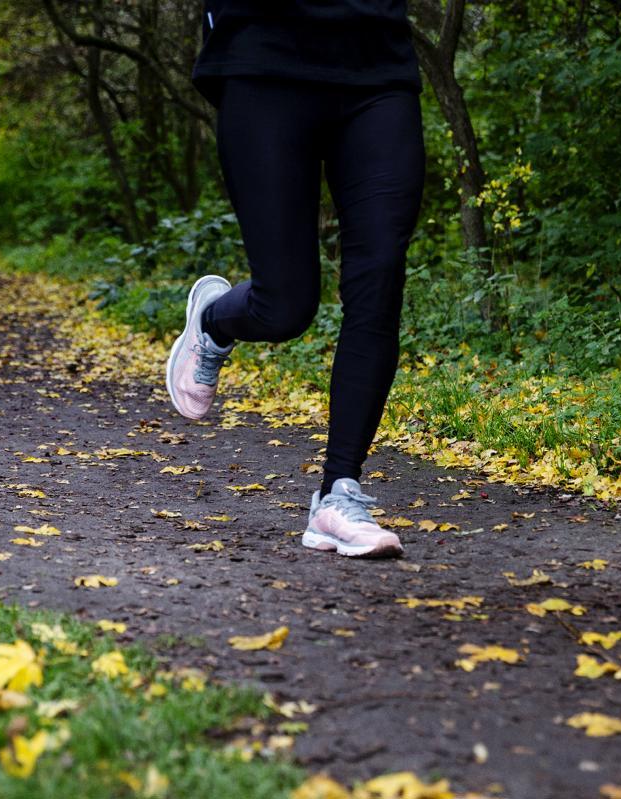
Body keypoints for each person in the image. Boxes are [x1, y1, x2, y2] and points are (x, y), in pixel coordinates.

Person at [165, 0, 425, 559]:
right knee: (286, 307)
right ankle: (214, 319)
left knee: (379, 279)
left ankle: (338, 494)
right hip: (265, 61)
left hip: (378, 68)